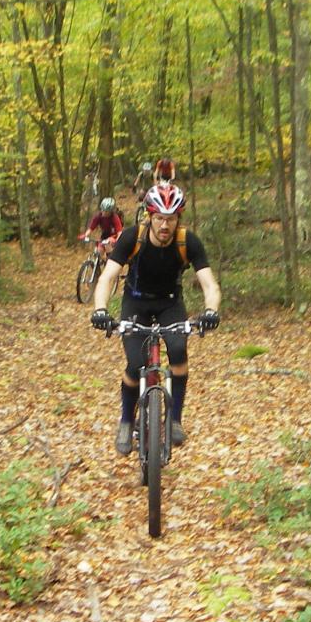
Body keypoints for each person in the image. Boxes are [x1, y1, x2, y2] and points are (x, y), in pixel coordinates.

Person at [90, 182, 221, 455]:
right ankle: (126, 420)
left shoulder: (188, 241)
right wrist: (101, 309)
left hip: (169, 304)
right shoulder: (131, 237)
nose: (164, 225)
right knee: (135, 363)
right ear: (149, 216)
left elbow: (209, 283)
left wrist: (210, 311)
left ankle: (174, 419)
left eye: (170, 218)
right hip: (135, 301)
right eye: (159, 218)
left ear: (178, 219)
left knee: (178, 351)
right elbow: (107, 277)